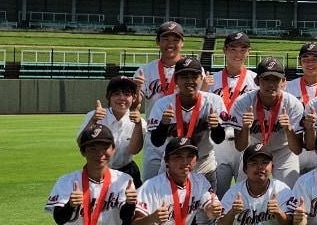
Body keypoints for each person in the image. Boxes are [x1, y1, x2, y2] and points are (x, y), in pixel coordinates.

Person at [227, 57, 306, 187]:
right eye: (266, 79)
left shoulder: (293, 104)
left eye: (275, 79)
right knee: (242, 190)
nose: (271, 84)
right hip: (254, 151)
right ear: (257, 81)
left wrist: (289, 130)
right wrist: (245, 128)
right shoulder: (243, 102)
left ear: (283, 81)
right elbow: (240, 147)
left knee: (289, 193)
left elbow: (297, 150)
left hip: (283, 152)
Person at [147, 56, 224, 182]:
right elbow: (156, 142)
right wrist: (163, 124)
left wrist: (216, 127)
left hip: (203, 164)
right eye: (184, 77)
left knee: (207, 196)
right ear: (175, 80)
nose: (189, 81)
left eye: (194, 76)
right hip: (173, 164)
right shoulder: (163, 104)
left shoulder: (214, 101)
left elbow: (219, 139)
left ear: (201, 78)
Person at [133, 20, 190, 177]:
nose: (170, 44)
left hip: (182, 136)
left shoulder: (193, 70)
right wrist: (136, 90)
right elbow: (135, 104)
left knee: (184, 187)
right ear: (157, 41)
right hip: (155, 136)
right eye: (165, 39)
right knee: (150, 185)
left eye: (175, 39)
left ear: (182, 43)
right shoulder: (145, 70)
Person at [208, 32, 258, 196]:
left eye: (243, 50)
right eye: (233, 49)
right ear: (224, 50)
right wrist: (203, 88)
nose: (238, 54)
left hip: (245, 138)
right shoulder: (212, 80)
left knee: (245, 192)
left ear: (249, 51)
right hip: (218, 141)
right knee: (218, 192)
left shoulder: (256, 81)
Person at [78, 76, 145, 185]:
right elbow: (81, 143)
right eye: (116, 94)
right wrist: (93, 121)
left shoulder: (139, 122)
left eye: (127, 94)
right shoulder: (94, 115)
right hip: (97, 169)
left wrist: (138, 125)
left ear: (134, 97)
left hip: (125, 171)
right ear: (108, 97)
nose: (121, 98)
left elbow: (133, 150)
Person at [285, 41, 317, 175]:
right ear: (300, 62)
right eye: (305, 59)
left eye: (315, 59)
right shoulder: (288, 87)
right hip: (294, 146)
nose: (310, 63)